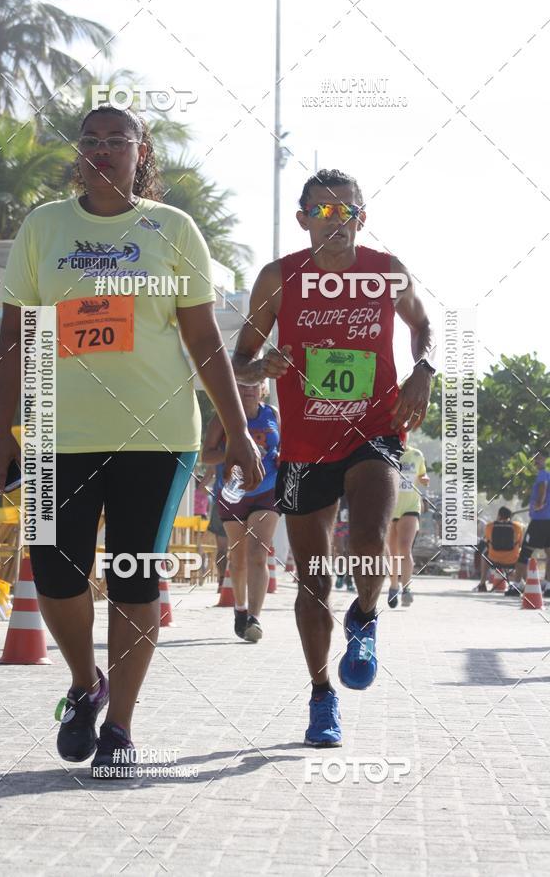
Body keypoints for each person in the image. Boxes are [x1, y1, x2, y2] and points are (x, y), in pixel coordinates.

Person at [0, 105, 263, 777]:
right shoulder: (43, 227)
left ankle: (122, 730)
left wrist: (242, 432)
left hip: (156, 436)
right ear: (77, 154)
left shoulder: (172, 229)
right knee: (54, 570)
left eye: (118, 141)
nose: (103, 150)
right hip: (55, 432)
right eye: (91, 141)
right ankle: (84, 684)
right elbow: (14, 336)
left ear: (143, 153)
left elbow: (202, 340)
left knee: (135, 574)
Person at [232, 168, 434, 746]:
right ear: (303, 219)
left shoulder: (384, 270)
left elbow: (422, 326)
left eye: (346, 209)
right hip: (303, 446)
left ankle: (366, 615)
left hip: (374, 429)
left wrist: (423, 368)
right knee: (313, 582)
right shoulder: (278, 278)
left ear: (361, 216)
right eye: (322, 210)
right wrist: (259, 367)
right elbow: (238, 359)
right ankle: (322, 696)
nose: (336, 219)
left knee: (370, 537)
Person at [202, 382, 280, 641]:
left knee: (258, 553)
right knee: (238, 558)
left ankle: (255, 619)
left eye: (254, 386)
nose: (248, 390)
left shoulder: (273, 414)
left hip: (267, 490)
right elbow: (206, 455)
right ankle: (240, 610)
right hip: (233, 493)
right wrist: (234, 451)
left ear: (263, 390)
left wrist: (282, 454)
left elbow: (286, 446)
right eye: (243, 385)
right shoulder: (223, 415)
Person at [386, 438, 429, 608]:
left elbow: (422, 473)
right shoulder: (386, 452)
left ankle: (406, 589)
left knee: (405, 547)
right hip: (390, 508)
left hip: (410, 506)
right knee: (392, 552)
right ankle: (393, 586)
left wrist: (424, 478)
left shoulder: (416, 454)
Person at [513, 451, 550, 596]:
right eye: (535, 459)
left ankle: (516, 585)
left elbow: (543, 486)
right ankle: (547, 585)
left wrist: (540, 503)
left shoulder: (542, 474)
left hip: (540, 520)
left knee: (525, 552)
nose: (536, 462)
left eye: (539, 459)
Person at [474, 506, 523, 592]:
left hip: (494, 559)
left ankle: (482, 583)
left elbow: (487, 540)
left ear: (498, 515)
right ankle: (519, 584)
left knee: (484, 555)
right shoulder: (517, 527)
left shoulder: (490, 526)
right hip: (513, 560)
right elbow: (520, 544)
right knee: (523, 556)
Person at [333, 498, 355, 592]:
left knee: (349, 551)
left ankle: (349, 579)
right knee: (340, 549)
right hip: (339, 520)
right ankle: (340, 575)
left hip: (353, 521)